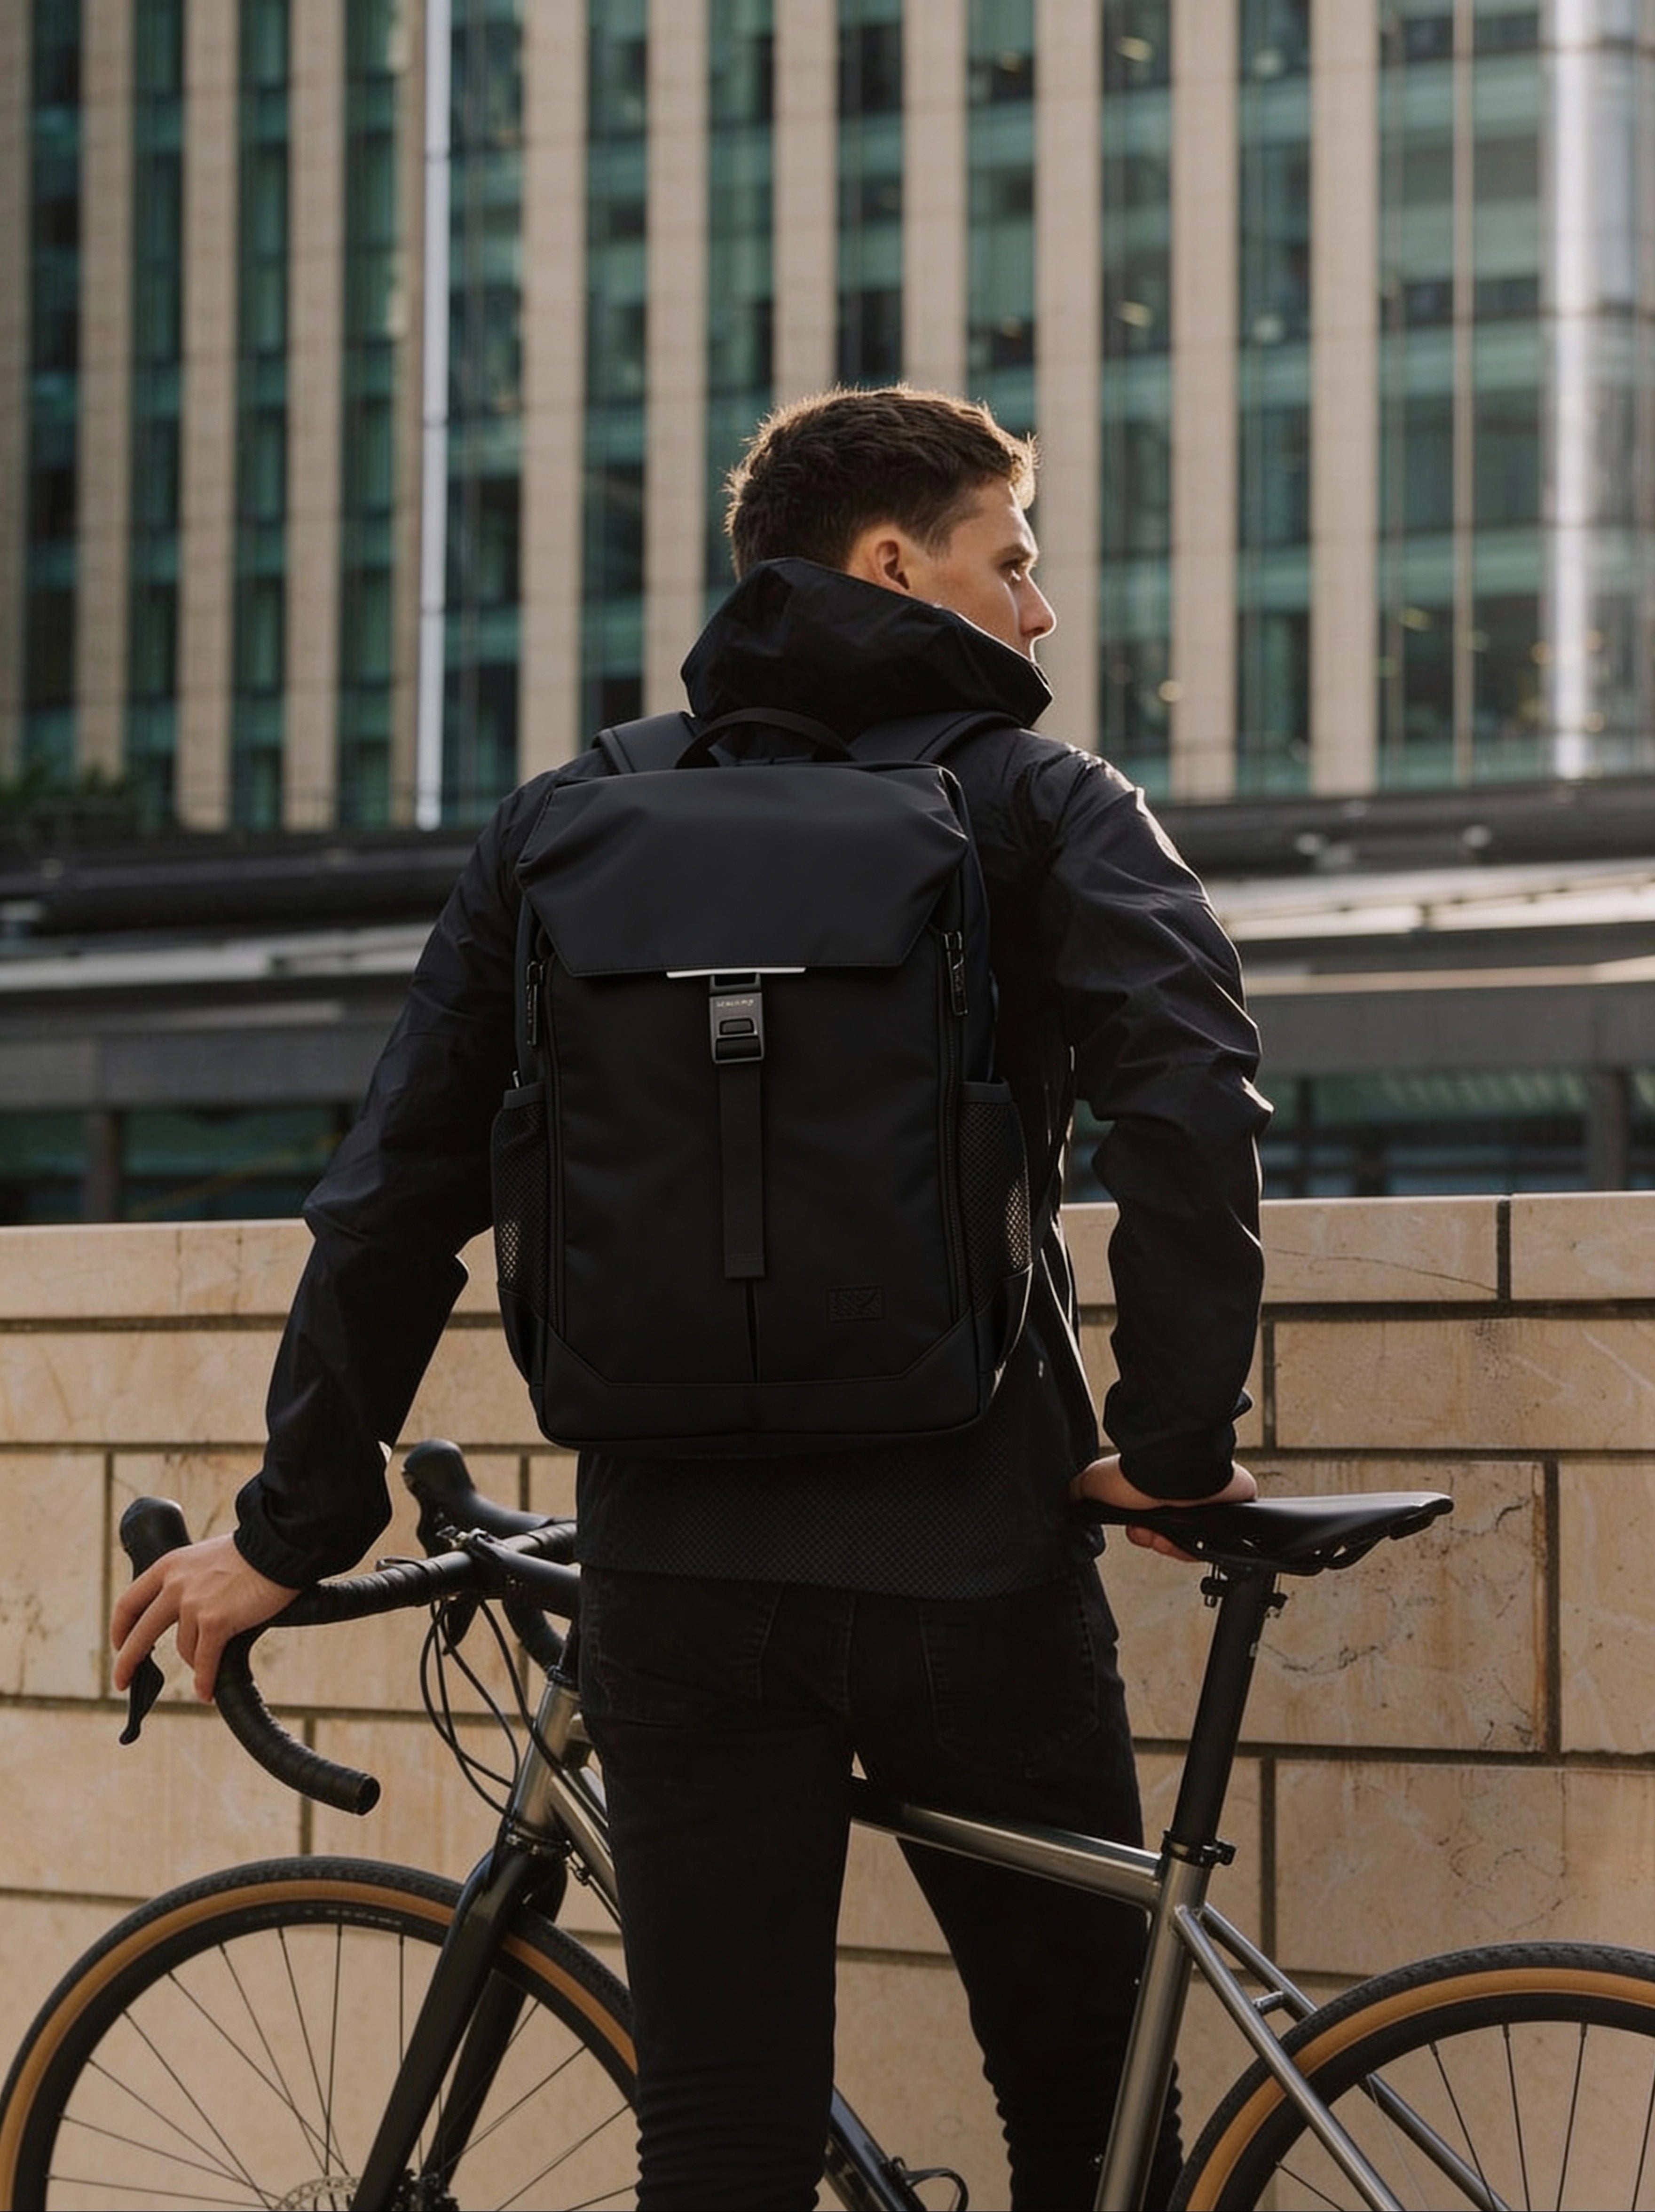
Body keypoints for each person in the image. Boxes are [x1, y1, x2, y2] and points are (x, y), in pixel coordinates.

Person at [114, 386, 1268, 2209]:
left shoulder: (571, 814)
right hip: (970, 1552)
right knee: (1084, 2101)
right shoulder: (1037, 800)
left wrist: (298, 1527)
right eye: (1014, 562)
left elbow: (395, 1193)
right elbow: (1190, 1098)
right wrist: (1175, 1440)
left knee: (720, 2125)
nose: (1040, 615)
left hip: (677, 1575)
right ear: (897, 564)